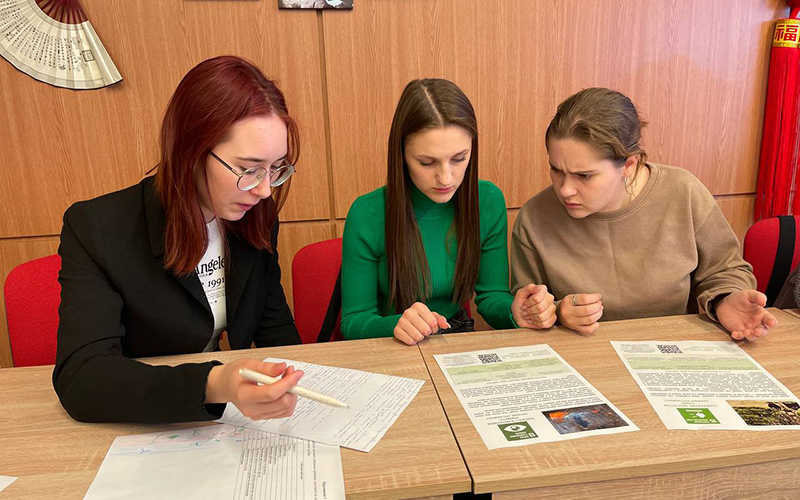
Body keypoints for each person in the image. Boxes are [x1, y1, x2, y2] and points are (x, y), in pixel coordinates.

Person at [53, 56, 305, 423]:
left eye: (276, 168)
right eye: (249, 169)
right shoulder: (98, 228)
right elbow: (82, 378)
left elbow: (275, 330)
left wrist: (294, 384)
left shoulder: (254, 216)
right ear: (190, 150)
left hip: (231, 424)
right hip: (143, 419)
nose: (265, 190)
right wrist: (215, 383)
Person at [511, 87, 777, 341]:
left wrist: (724, 299)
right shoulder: (535, 216)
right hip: (582, 356)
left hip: (671, 351)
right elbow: (527, 305)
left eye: (584, 175)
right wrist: (556, 312)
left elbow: (726, 270)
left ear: (629, 164)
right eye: (556, 170)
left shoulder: (683, 192)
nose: (565, 190)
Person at [341, 78, 555, 345]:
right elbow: (353, 321)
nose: (445, 178)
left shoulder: (487, 201)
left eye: (459, 159)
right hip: (391, 344)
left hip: (457, 335)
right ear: (401, 155)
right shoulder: (367, 214)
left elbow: (491, 296)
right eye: (426, 162)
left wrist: (515, 310)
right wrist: (396, 324)